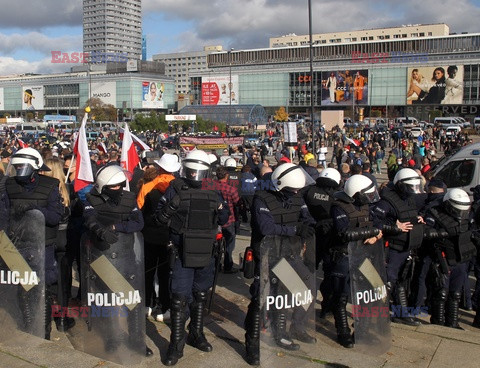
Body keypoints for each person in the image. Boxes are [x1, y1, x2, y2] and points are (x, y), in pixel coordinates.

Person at [155, 150, 229, 366]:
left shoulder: (215, 190)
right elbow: (159, 218)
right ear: (184, 169)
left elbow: (225, 218)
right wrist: (173, 205)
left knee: (201, 295)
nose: (194, 174)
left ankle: (196, 333)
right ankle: (175, 345)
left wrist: (221, 210)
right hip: (181, 252)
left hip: (206, 252)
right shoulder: (175, 187)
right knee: (179, 299)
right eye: (191, 170)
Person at [244, 163, 316, 365]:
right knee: (260, 299)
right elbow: (266, 227)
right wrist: (295, 230)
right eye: (292, 189)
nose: (295, 192)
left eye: (297, 190)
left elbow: (307, 218)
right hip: (267, 257)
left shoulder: (296, 195)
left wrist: (307, 227)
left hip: (289, 255)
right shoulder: (261, 198)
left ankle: (283, 331)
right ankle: (252, 343)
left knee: (299, 291)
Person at [83, 165, 151, 357]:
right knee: (107, 301)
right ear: (103, 187)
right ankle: (112, 338)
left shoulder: (129, 199)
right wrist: (100, 230)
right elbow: (89, 218)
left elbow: (138, 222)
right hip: (102, 256)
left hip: (127, 255)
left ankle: (137, 340)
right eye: (114, 186)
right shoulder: (91, 199)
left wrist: (115, 226)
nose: (119, 189)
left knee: (132, 301)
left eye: (121, 185)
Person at [3, 148, 64, 339]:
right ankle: (29, 324)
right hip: (17, 244)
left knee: (43, 287)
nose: (19, 169)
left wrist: (35, 210)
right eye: (17, 166)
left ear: (35, 167)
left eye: (23, 166)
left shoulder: (50, 186)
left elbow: (55, 216)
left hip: (43, 245)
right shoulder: (7, 185)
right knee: (23, 286)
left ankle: (43, 328)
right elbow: (2, 215)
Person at [329, 174, 382, 348]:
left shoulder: (365, 205)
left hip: (363, 254)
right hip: (344, 255)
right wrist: (371, 233)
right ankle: (343, 331)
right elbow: (344, 232)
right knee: (341, 297)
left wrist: (377, 235)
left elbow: (376, 224)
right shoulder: (339, 207)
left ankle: (362, 329)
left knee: (369, 294)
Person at [372, 168, 426, 326]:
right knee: (387, 282)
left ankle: (401, 313)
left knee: (401, 281)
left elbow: (407, 214)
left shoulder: (408, 199)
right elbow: (375, 220)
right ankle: (374, 317)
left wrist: (417, 219)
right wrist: (394, 226)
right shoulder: (386, 201)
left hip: (405, 246)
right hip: (392, 248)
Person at [423, 189, 476, 329]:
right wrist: (440, 233)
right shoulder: (434, 213)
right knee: (441, 292)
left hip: (460, 259)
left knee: (456, 294)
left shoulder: (468, 216)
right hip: (443, 259)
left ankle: (452, 322)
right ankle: (438, 321)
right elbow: (426, 231)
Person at [138, 154, 181, 322]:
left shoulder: (148, 186)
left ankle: (147, 305)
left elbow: (138, 210)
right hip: (170, 237)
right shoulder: (179, 188)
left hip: (149, 235)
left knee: (148, 271)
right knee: (166, 274)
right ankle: (165, 307)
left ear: (159, 167)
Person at [303, 168, 342, 317]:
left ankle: (304, 305)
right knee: (329, 273)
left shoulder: (308, 191)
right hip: (328, 237)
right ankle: (327, 307)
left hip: (310, 235)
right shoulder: (336, 195)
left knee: (307, 271)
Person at [214, 166, 241, 273]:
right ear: (227, 176)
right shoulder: (231, 189)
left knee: (215, 244)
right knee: (229, 245)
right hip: (229, 220)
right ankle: (228, 266)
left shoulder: (211, 188)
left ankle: (215, 265)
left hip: (215, 220)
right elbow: (238, 203)